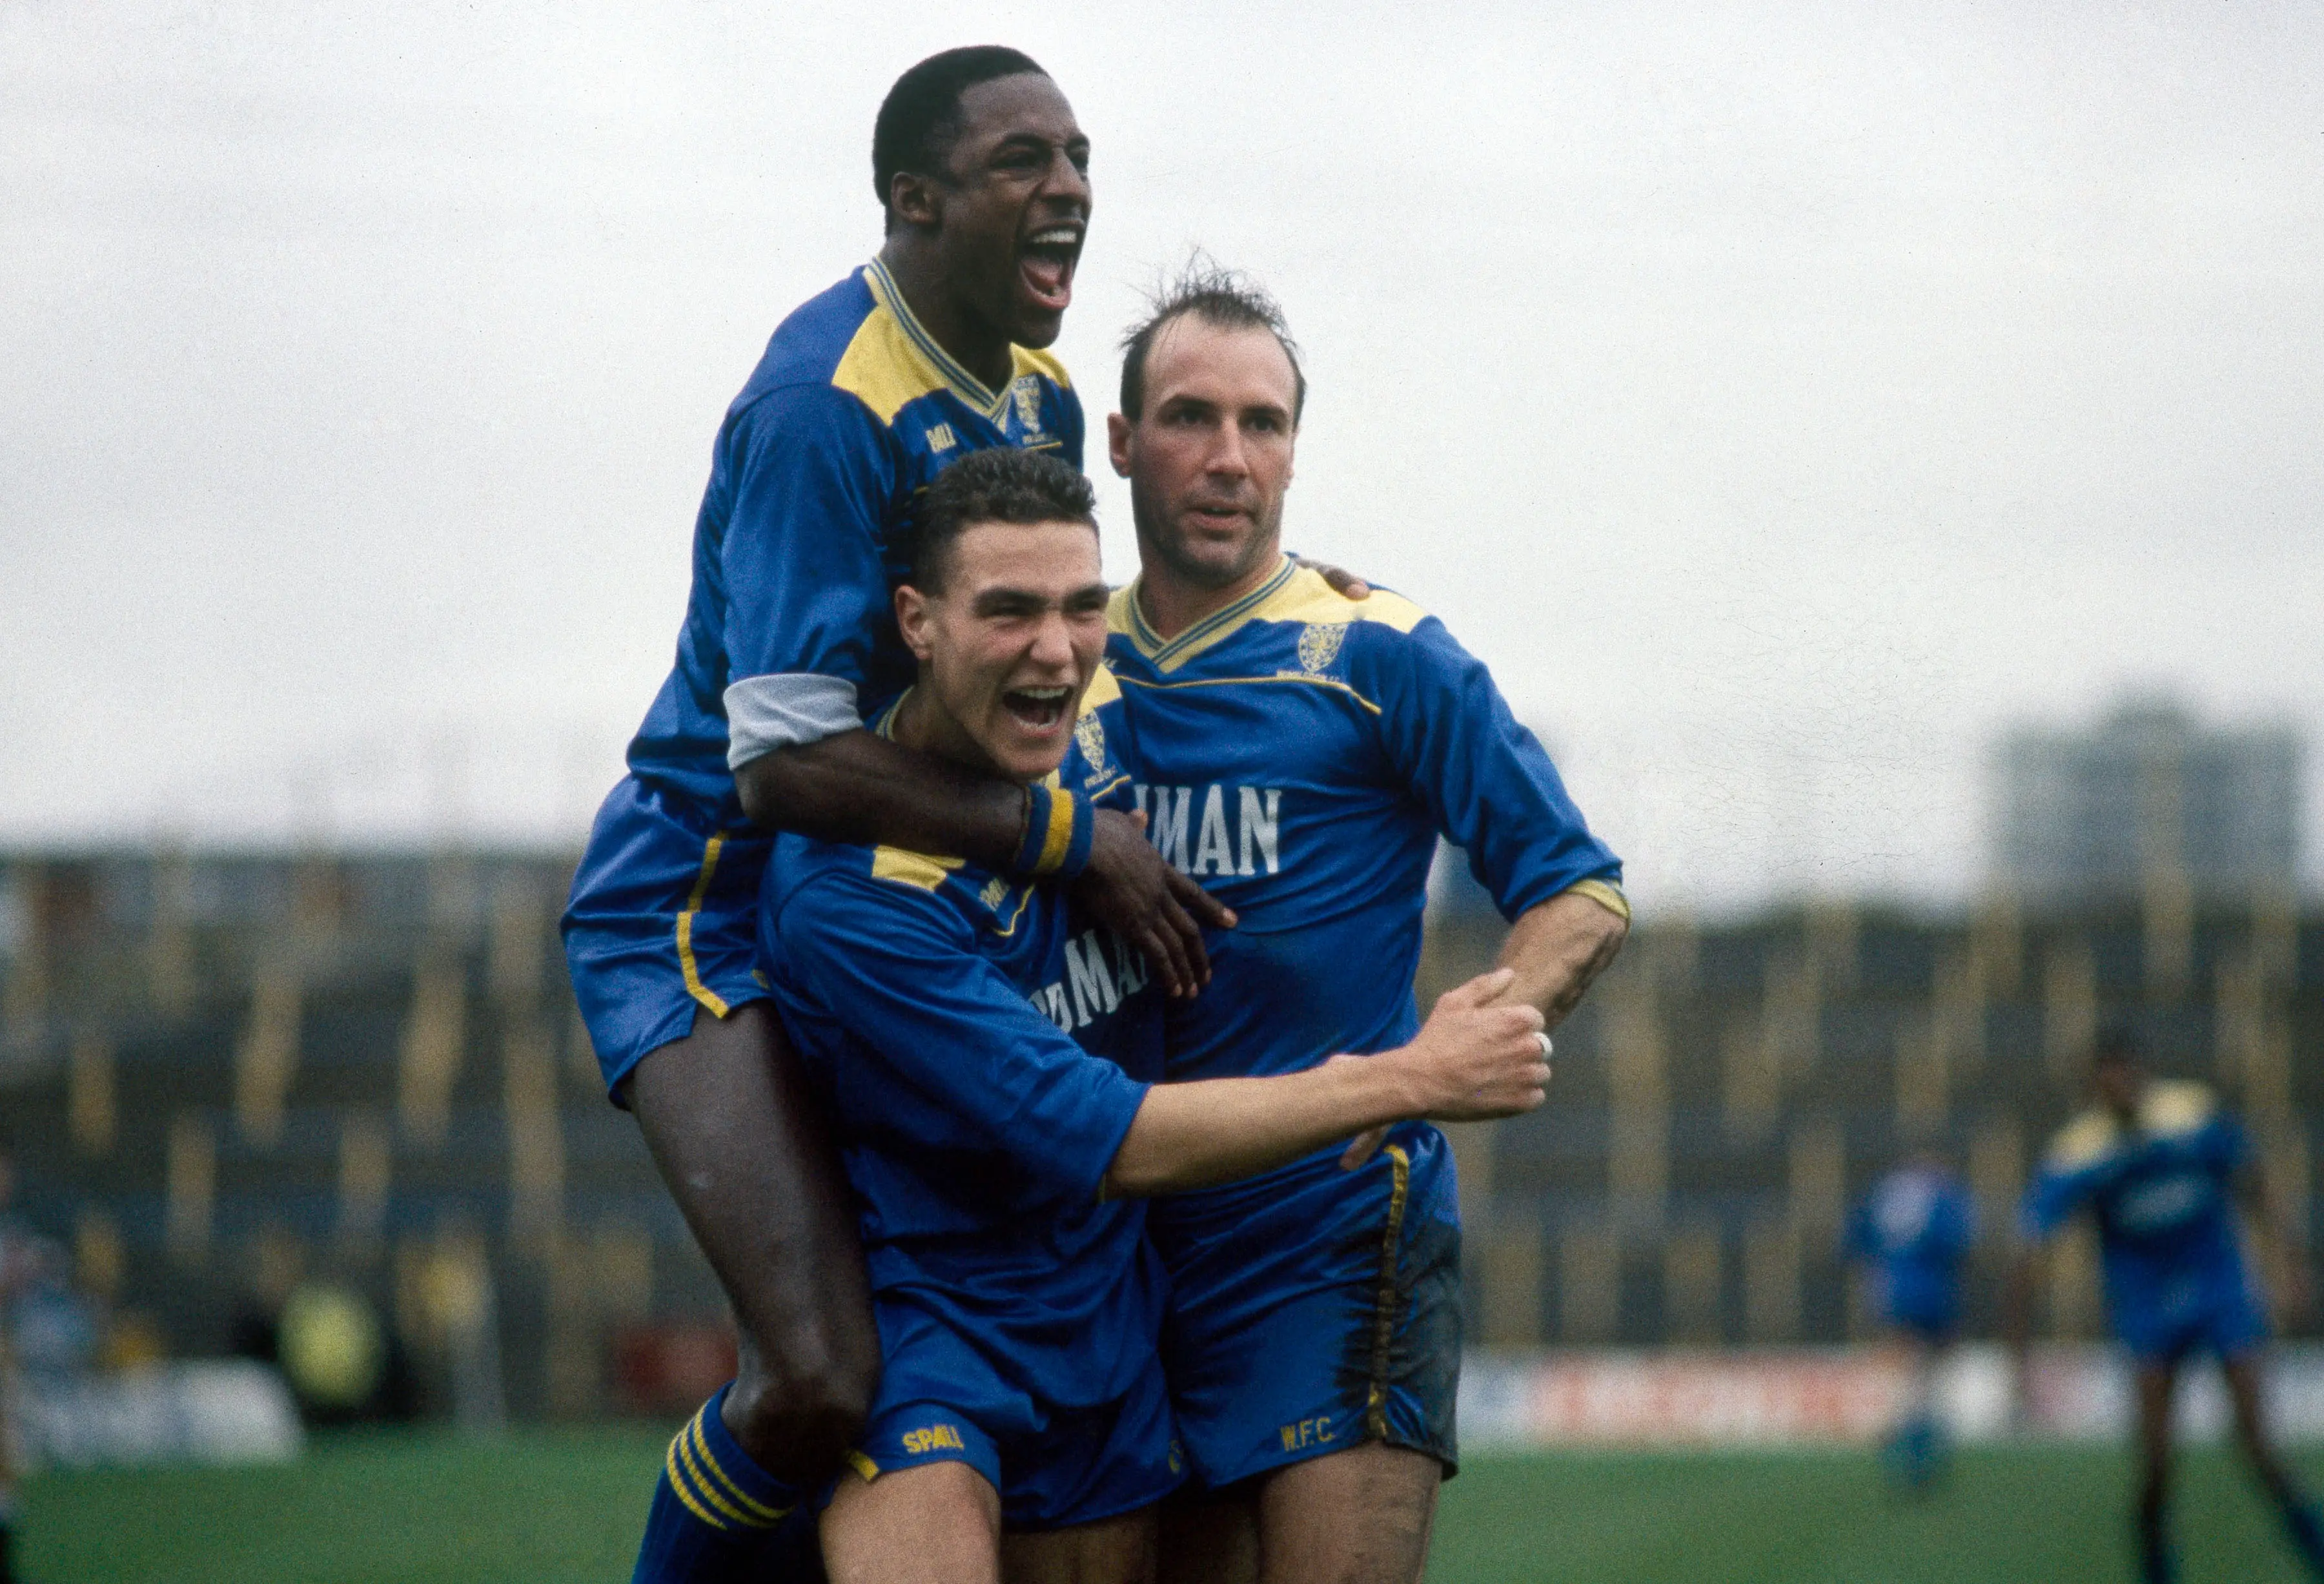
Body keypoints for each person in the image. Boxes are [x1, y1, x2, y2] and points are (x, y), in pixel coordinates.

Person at [559, 48, 1236, 1582]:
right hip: (709, 901)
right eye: (1019, 162)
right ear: (914, 199)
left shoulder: (1041, 395)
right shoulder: (823, 403)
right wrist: (1071, 843)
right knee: (818, 1375)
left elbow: (1040, 671)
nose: (1065, 188)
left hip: (903, 895)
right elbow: (780, 766)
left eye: (1077, 156)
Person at [759, 447, 1553, 1584]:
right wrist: (1410, 1076)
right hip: (928, 1339)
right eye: (1010, 612)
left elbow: (1233, 654)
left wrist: (1314, 588)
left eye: (1084, 608)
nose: (1056, 648)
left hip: (1112, 1346)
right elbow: (1112, 1135)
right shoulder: (848, 897)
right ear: (916, 622)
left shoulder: (1096, 737)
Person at [1096, 267, 1629, 1584]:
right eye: (1190, 416)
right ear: (1118, 442)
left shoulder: (1383, 655)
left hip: (1333, 1232)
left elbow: (1582, 889)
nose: (1231, 457)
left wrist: (1478, 1030)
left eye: (1264, 424)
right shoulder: (1056, 665)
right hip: (1117, 1247)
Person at [2007, 1029, 2324, 1584]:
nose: (2120, 1087)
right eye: (2106, 1079)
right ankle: (2155, 1567)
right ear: (2094, 1088)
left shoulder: (2191, 1115)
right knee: (2155, 1460)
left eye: (2126, 1073)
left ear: (2141, 1073)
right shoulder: (2080, 1150)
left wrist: (2292, 1265)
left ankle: (2312, 1548)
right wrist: (2021, 1354)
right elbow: (2030, 1249)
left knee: (2258, 1442)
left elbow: (2255, 1182)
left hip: (2219, 1291)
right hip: (2147, 1306)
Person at [1845, 1152, 1973, 1492]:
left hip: (1892, 1290)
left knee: (1903, 1367)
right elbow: (1960, 1241)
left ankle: (1903, 1433)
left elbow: (1853, 1241)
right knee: (1931, 1370)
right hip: (1935, 1291)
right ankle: (1921, 1442)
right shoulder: (1944, 1193)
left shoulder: (1882, 1192)